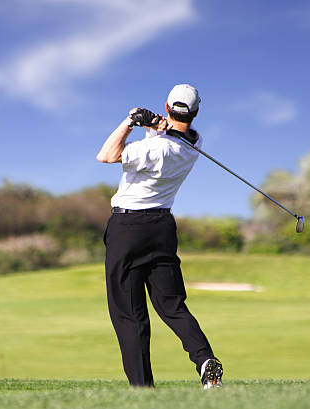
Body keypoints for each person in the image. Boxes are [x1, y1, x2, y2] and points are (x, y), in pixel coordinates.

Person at [96, 84, 223, 389]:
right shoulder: (194, 142)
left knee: (129, 314)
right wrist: (154, 127)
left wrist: (130, 121)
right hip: (162, 228)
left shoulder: (152, 148)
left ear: (167, 107)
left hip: (128, 230)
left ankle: (143, 391)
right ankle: (204, 359)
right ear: (194, 113)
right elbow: (170, 140)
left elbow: (106, 155)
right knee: (172, 305)